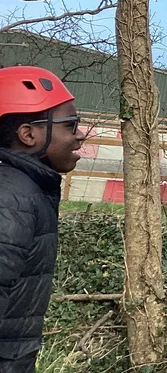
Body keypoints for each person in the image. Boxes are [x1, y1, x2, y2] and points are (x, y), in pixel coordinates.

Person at [0, 66, 84, 373]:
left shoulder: (26, 188)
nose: (79, 135)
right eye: (70, 125)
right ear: (28, 134)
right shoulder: (12, 198)